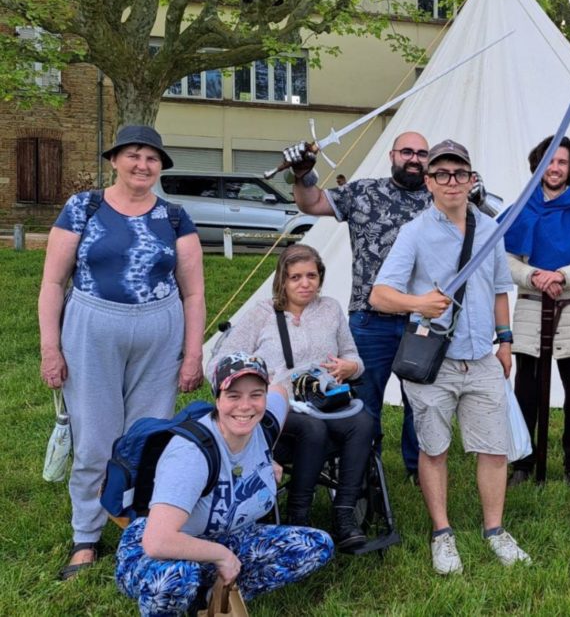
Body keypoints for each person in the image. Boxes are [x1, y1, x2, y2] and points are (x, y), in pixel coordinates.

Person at [39, 125, 206, 581]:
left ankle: (139, 529)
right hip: (92, 325)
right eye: (133, 155)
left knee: (147, 438)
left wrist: (193, 354)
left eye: (152, 158)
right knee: (95, 437)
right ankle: (86, 537)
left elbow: (193, 293)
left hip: (160, 328)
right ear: (114, 160)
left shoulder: (174, 217)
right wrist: (50, 347)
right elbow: (54, 282)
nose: (142, 165)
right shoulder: (83, 208)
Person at [370, 139, 531, 575]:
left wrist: (505, 342)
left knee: (493, 449)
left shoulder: (490, 229)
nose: (452, 181)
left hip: (482, 358)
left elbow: (500, 289)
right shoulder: (416, 232)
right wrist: (418, 303)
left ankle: (495, 530)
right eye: (442, 174)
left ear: (471, 179)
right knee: (434, 449)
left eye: (459, 173)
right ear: (429, 182)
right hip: (434, 361)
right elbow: (379, 294)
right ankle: (442, 534)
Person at [115, 353, 334, 616]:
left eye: (256, 394)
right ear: (217, 399)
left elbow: (280, 391)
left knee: (316, 544)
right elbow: (157, 541)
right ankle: (183, 597)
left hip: (228, 535)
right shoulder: (191, 455)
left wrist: (267, 458)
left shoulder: (263, 427)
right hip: (160, 550)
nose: (246, 406)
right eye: (233, 395)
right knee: (177, 576)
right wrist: (222, 555)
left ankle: (210, 597)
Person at [286, 133, 432, 482]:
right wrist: (302, 173)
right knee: (365, 401)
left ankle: (419, 470)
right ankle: (366, 467)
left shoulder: (439, 199)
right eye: (407, 152)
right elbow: (312, 203)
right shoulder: (364, 192)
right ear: (392, 154)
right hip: (371, 319)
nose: (414, 159)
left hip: (422, 319)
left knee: (422, 401)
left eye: (422, 154)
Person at [212, 244, 374, 550]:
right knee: (312, 430)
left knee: (363, 423)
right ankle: (298, 516)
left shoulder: (330, 309)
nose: (305, 283)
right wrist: (253, 379)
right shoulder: (262, 314)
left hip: (323, 400)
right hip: (278, 405)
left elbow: (354, 356)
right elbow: (220, 361)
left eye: (311, 275)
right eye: (295, 277)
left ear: (320, 277)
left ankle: (344, 514)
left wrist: (349, 366)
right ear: (282, 281)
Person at [503, 135, 570, 486]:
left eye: (561, 162)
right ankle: (523, 461)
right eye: (549, 161)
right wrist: (534, 275)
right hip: (533, 304)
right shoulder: (521, 210)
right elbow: (505, 259)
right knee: (526, 390)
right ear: (539, 164)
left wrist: (563, 274)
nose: (555, 168)